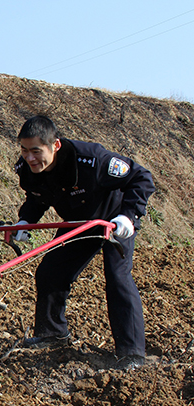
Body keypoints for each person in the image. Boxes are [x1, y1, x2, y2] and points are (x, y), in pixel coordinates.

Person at [12, 115, 155, 369]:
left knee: (117, 276)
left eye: (36, 151)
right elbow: (37, 198)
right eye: (24, 150)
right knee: (51, 271)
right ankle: (52, 334)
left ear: (54, 146)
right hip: (80, 222)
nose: (29, 157)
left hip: (114, 220)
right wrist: (25, 221)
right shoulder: (28, 169)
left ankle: (132, 353)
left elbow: (141, 177)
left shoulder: (91, 161)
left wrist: (128, 216)